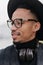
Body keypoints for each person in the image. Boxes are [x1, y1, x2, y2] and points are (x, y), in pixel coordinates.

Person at [0, 0, 43, 65]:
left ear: (36, 26)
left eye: (18, 22)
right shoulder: (2, 57)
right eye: (12, 23)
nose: (12, 28)